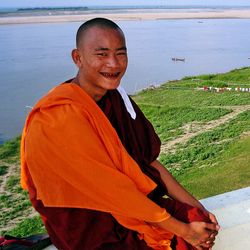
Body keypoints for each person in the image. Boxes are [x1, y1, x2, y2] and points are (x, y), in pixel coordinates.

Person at [21, 18, 219, 250]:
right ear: (78, 57)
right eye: (102, 54)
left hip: (134, 206)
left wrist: (199, 208)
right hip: (90, 225)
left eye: (120, 53)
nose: (113, 64)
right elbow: (110, 191)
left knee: (202, 222)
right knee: (186, 236)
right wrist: (183, 230)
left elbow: (149, 161)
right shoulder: (59, 115)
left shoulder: (116, 98)